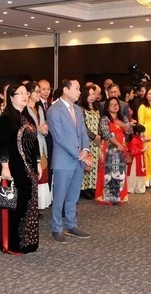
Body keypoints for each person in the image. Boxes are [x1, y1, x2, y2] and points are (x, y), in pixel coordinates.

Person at [0, 83, 42, 254]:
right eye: (19, 93)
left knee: (29, 202)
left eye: (26, 92)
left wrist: (37, 162)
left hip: (30, 167)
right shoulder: (6, 118)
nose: (24, 95)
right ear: (11, 96)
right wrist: (5, 167)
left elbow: (34, 142)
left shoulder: (27, 116)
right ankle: (14, 243)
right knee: (17, 204)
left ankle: (29, 242)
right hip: (15, 166)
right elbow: (2, 145)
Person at [47, 79, 92, 243]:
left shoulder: (78, 109)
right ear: (66, 90)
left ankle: (71, 225)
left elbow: (83, 132)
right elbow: (59, 137)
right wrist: (78, 154)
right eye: (77, 88)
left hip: (78, 159)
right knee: (59, 196)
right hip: (64, 160)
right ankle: (56, 228)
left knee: (73, 196)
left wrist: (86, 150)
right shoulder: (54, 110)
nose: (80, 92)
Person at [96, 97, 129, 204]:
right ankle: (108, 197)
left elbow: (129, 131)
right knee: (109, 172)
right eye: (112, 105)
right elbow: (106, 134)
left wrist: (123, 125)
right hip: (110, 148)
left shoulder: (123, 118)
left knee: (120, 172)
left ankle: (119, 196)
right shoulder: (105, 119)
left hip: (121, 149)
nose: (115, 106)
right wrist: (118, 144)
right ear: (107, 107)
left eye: (117, 104)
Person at [25, 82, 52, 209]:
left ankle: (38, 205)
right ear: (29, 93)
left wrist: (45, 129)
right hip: (30, 146)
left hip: (41, 145)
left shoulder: (40, 108)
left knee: (43, 174)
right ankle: (30, 205)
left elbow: (43, 124)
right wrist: (37, 129)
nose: (39, 93)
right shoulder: (24, 109)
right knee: (32, 175)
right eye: (36, 91)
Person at [128, 124, 147, 194]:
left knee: (139, 174)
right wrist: (142, 150)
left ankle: (138, 188)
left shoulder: (138, 139)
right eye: (142, 132)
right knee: (134, 174)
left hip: (140, 158)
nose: (143, 134)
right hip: (135, 160)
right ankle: (132, 188)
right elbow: (133, 151)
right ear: (137, 133)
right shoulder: (134, 140)